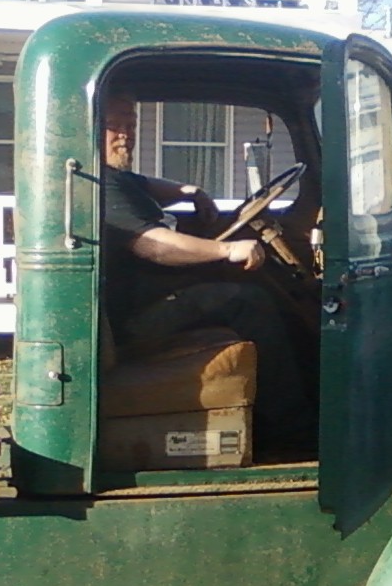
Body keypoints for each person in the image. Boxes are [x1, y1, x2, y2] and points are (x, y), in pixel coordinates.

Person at [101, 93, 317, 455]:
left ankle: (290, 405)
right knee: (247, 301)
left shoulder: (117, 178)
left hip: (152, 296)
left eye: (131, 125)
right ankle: (293, 433)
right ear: (91, 128)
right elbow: (153, 245)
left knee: (246, 289)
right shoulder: (99, 184)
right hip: (134, 318)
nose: (125, 134)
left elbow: (146, 185)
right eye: (114, 126)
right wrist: (226, 249)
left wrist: (191, 191)